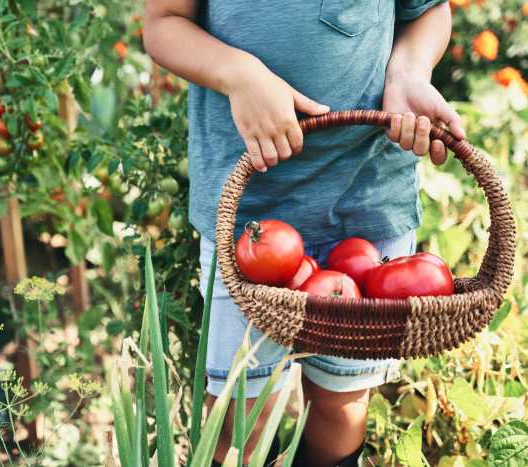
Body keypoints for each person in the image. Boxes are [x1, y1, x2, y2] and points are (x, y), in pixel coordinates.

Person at [143, 1, 463, 466]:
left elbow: (429, 10)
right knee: (241, 418)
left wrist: (408, 71)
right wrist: (239, 74)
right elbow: (163, 24)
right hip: (252, 218)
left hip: (366, 205)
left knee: (341, 402)